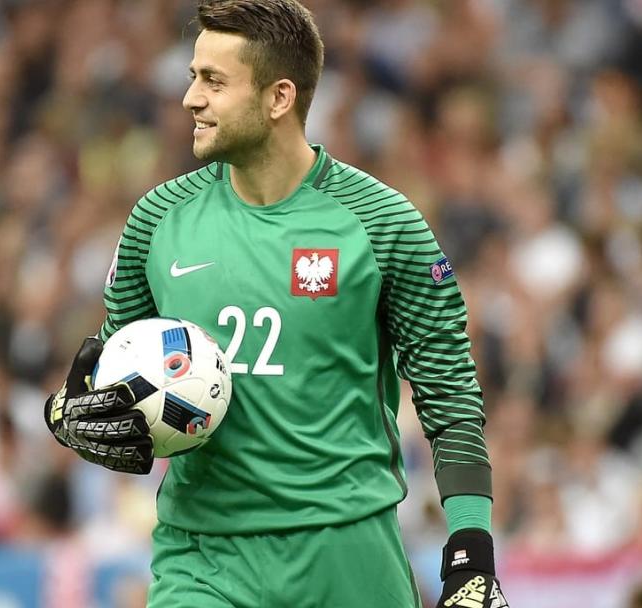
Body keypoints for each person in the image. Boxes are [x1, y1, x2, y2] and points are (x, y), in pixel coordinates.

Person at [44, 1, 508, 606]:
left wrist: (471, 550)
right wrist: (70, 416)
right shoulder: (155, 221)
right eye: (192, 77)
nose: (190, 99)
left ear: (279, 98)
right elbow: (114, 375)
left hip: (348, 553)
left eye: (213, 81)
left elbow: (450, 393)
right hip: (204, 558)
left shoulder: (383, 223)